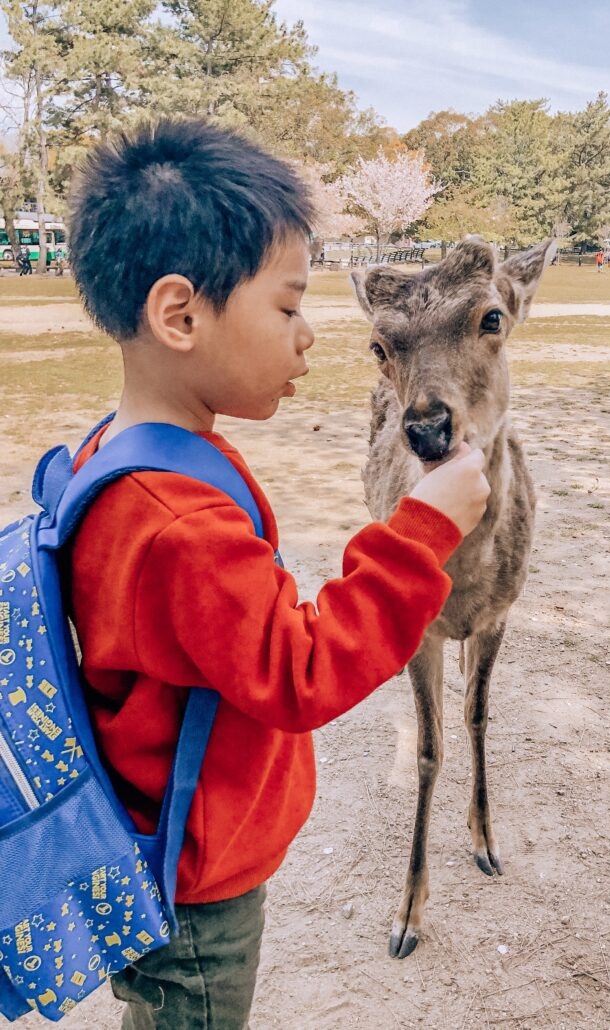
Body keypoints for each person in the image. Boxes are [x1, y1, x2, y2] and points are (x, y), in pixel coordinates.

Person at [65, 117, 490, 1030]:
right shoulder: (177, 520)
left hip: (156, 849)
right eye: (289, 307)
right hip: (194, 895)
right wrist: (421, 535)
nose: (307, 339)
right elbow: (300, 669)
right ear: (180, 315)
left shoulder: (128, 457)